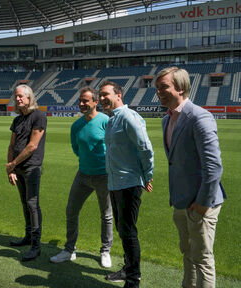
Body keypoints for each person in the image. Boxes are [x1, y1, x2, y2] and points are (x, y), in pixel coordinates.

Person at [155, 67, 226, 288]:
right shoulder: (167, 120)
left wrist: (203, 204)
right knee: (187, 252)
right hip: (181, 202)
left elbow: (213, 166)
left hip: (202, 204)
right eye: (157, 88)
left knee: (203, 258)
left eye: (164, 87)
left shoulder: (199, 116)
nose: (158, 92)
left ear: (181, 88)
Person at [49, 87, 113, 268]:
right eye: (80, 101)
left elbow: (113, 147)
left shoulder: (106, 121)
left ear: (95, 102)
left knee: (106, 215)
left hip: (104, 176)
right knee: (71, 210)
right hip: (83, 175)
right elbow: (76, 149)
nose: (82, 104)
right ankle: (69, 250)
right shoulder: (76, 125)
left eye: (86, 101)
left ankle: (105, 251)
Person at [99, 81, 154, 288]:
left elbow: (146, 148)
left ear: (119, 95)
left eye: (106, 94)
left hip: (129, 183)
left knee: (128, 230)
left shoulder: (128, 117)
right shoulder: (112, 120)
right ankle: (128, 269)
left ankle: (133, 279)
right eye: (100, 95)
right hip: (115, 183)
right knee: (123, 229)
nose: (102, 98)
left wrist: (147, 176)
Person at [6, 84, 47, 262]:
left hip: (31, 168)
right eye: (16, 96)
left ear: (30, 98)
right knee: (25, 203)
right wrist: (11, 168)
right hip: (19, 169)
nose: (18, 99)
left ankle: (36, 246)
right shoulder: (17, 120)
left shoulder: (38, 116)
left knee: (32, 204)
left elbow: (32, 146)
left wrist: (13, 163)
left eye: (21, 96)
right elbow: (11, 145)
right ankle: (28, 236)